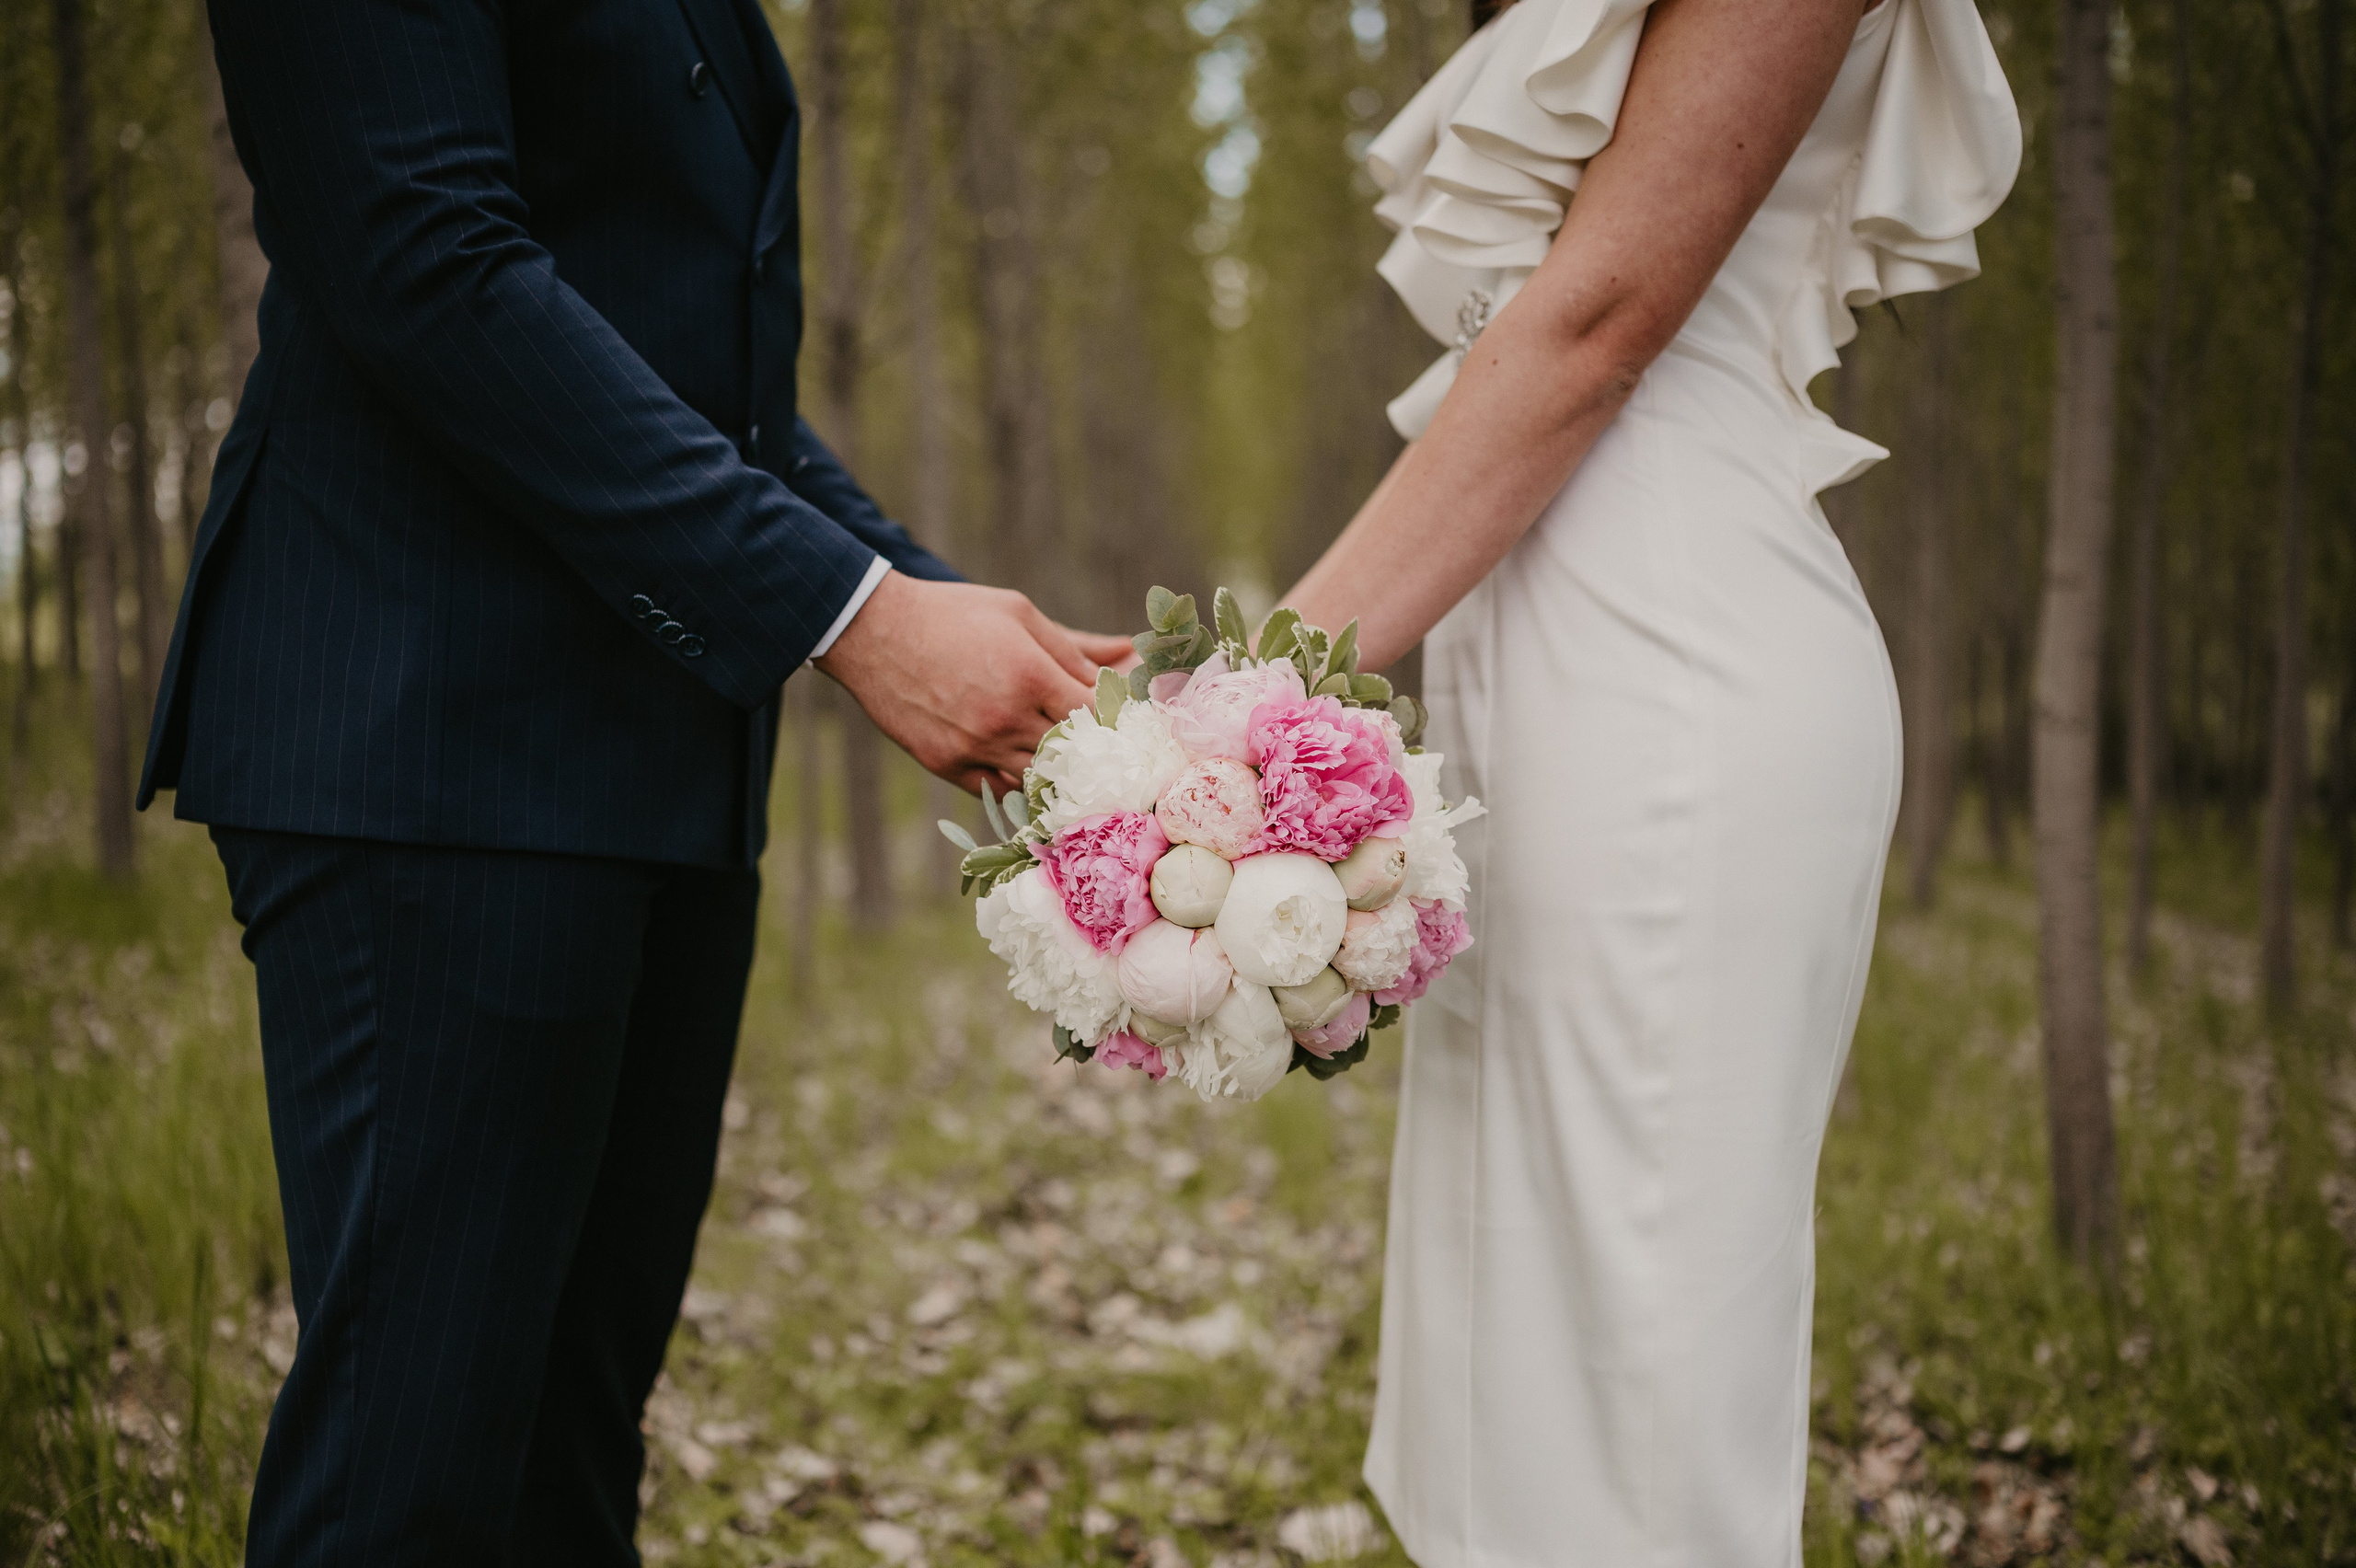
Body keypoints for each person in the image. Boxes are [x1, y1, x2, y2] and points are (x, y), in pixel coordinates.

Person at [134, 0, 1120, 1561]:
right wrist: (852, 618)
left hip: (654, 766)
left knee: (565, 1456)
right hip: (436, 748)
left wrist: (951, 611)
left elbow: (705, 383)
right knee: (415, 1484)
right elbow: (417, 246)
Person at [1277, 0, 2020, 1561]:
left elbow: (1596, 325)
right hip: (1543, 683)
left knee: (1639, 1382)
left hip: (1675, 693)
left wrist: (1257, 696)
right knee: (1513, 1367)